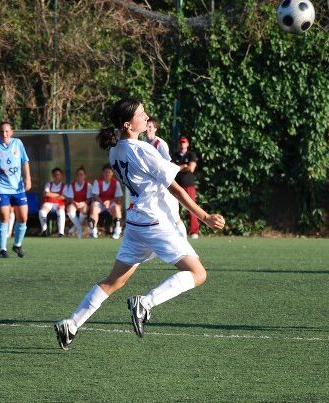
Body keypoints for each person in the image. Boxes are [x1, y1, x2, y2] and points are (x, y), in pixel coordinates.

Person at [54, 97, 225, 350]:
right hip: (155, 223)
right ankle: (146, 303)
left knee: (114, 281)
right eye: (141, 114)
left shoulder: (115, 151)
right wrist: (204, 217)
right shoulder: (143, 149)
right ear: (127, 124)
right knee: (198, 274)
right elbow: (176, 190)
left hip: (136, 224)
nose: (146, 117)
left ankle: (72, 324)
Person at [0, 121, 32, 258]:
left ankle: (17, 245)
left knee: (23, 218)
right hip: (1, 188)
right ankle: (2, 250)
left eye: (7, 131)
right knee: (4, 217)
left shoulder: (18, 143)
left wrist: (28, 178)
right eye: (2, 131)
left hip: (18, 187)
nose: (4, 134)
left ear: (11, 132)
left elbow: (25, 161)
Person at [172, 135, 200, 239]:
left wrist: (179, 168)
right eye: (181, 143)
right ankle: (174, 231)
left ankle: (194, 232)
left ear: (187, 144)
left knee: (192, 208)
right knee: (174, 209)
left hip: (189, 185)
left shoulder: (191, 154)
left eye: (184, 142)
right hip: (177, 185)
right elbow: (172, 168)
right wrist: (182, 167)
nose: (182, 144)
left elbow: (191, 168)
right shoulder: (174, 155)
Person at [88, 164, 123, 239]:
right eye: (106, 172)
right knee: (94, 207)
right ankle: (94, 231)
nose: (107, 174)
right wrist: (103, 202)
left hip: (111, 204)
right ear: (103, 173)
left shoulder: (116, 183)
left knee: (117, 207)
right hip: (100, 203)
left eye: (109, 172)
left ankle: (117, 231)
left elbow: (118, 197)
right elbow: (95, 196)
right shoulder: (97, 182)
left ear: (112, 173)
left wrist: (109, 202)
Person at [38, 167, 67, 237]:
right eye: (55, 175)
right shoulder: (49, 184)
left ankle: (61, 232)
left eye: (58, 175)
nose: (57, 176)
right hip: (49, 203)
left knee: (61, 212)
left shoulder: (64, 186)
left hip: (59, 204)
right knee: (42, 211)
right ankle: (44, 230)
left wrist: (52, 194)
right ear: (53, 176)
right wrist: (58, 195)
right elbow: (46, 194)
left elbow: (64, 197)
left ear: (61, 176)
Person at [65, 167, 91, 239]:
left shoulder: (88, 185)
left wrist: (83, 203)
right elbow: (70, 198)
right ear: (76, 176)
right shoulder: (72, 185)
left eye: (82, 174)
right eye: (78, 174)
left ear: (85, 176)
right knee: (69, 209)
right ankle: (79, 228)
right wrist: (75, 203)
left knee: (85, 208)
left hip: (84, 204)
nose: (80, 176)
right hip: (74, 203)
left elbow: (89, 199)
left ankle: (75, 227)